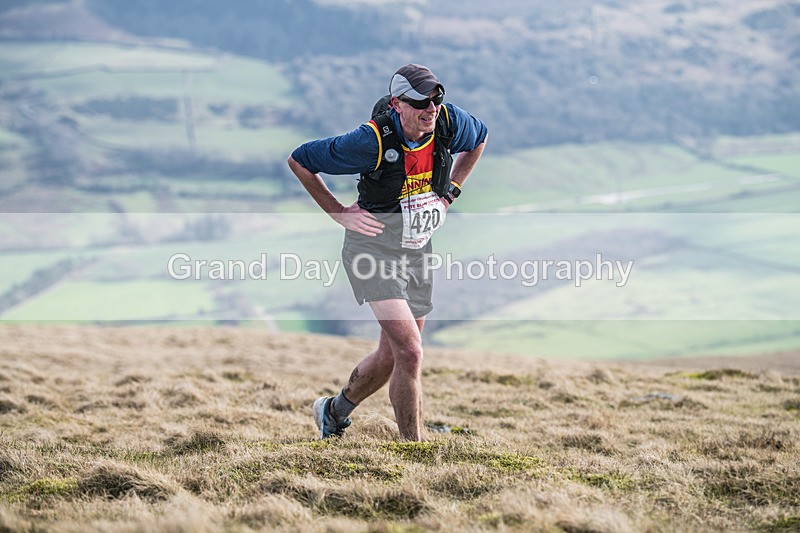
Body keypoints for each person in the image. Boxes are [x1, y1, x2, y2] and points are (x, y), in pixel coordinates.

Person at [287, 64, 487, 441]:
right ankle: (414, 450)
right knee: (411, 352)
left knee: (391, 357)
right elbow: (300, 160)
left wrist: (451, 193)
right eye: (419, 102)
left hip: (416, 249)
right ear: (397, 104)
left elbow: (481, 139)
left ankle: (333, 411)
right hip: (372, 249)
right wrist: (338, 212)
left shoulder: (447, 122)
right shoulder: (369, 142)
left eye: (436, 98)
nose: (430, 108)